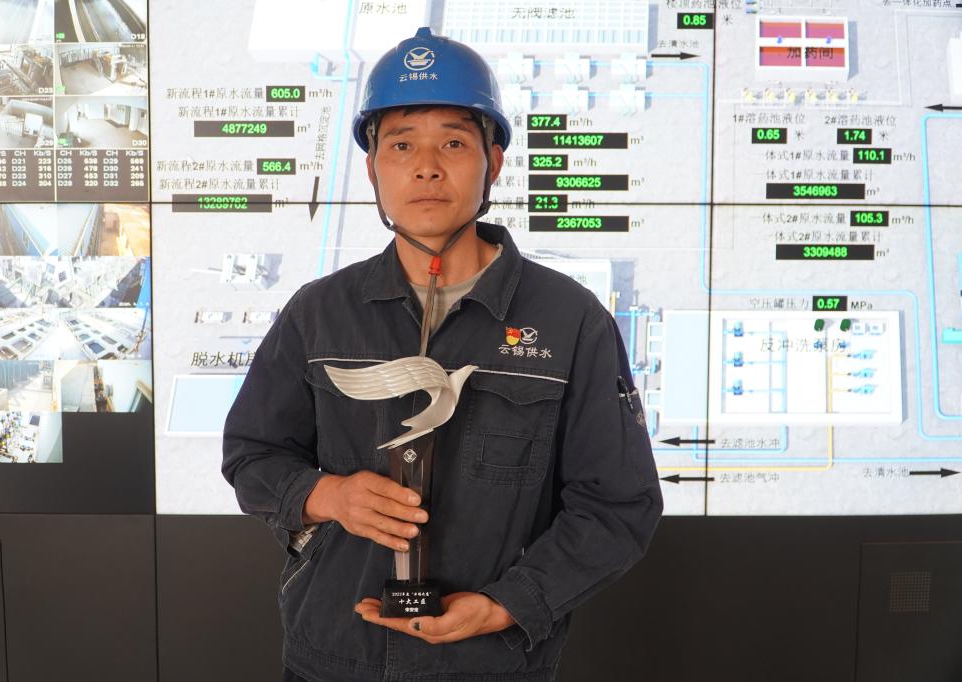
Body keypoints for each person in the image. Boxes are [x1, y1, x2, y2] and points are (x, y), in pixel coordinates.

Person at [222, 27, 663, 682]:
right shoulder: (318, 313)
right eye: (401, 144)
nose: (426, 166)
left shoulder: (570, 320)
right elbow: (251, 456)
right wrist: (328, 495)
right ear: (372, 169)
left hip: (491, 665)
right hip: (332, 657)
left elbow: (617, 505)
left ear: (495, 162)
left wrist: (507, 605)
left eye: (454, 143)